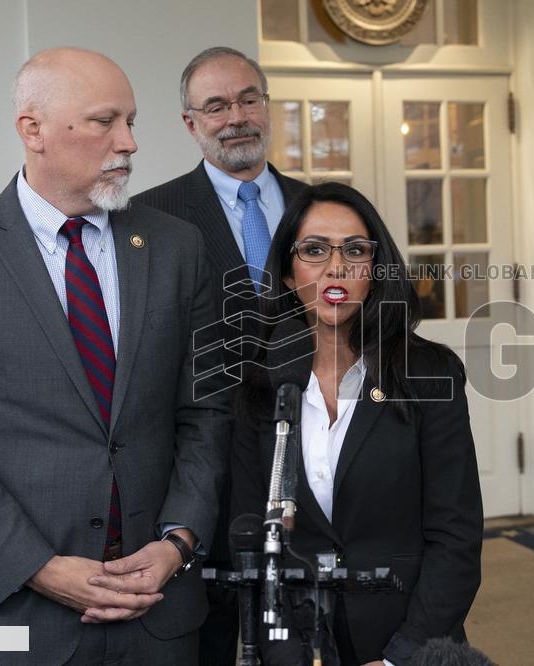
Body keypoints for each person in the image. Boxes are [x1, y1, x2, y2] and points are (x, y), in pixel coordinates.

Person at [0, 47, 231, 665]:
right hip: (4, 618)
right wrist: (37, 567)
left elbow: (207, 412)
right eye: (104, 121)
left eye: (131, 121)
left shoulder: (178, 247)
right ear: (33, 130)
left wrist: (178, 541)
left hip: (157, 613)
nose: (128, 142)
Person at [232, 182, 483, 665]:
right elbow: (244, 536)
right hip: (293, 640)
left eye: (354, 250)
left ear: (375, 268)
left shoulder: (430, 374)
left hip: (409, 640)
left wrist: (399, 658)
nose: (336, 267)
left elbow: (456, 537)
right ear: (287, 272)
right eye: (313, 250)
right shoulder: (258, 381)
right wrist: (286, 653)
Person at [132, 45, 306, 664]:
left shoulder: (319, 208)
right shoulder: (147, 215)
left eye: (248, 99)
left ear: (266, 106)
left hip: (307, 464)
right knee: (201, 639)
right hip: (195, 467)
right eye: (216, 105)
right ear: (191, 123)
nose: (236, 116)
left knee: (306, 628)